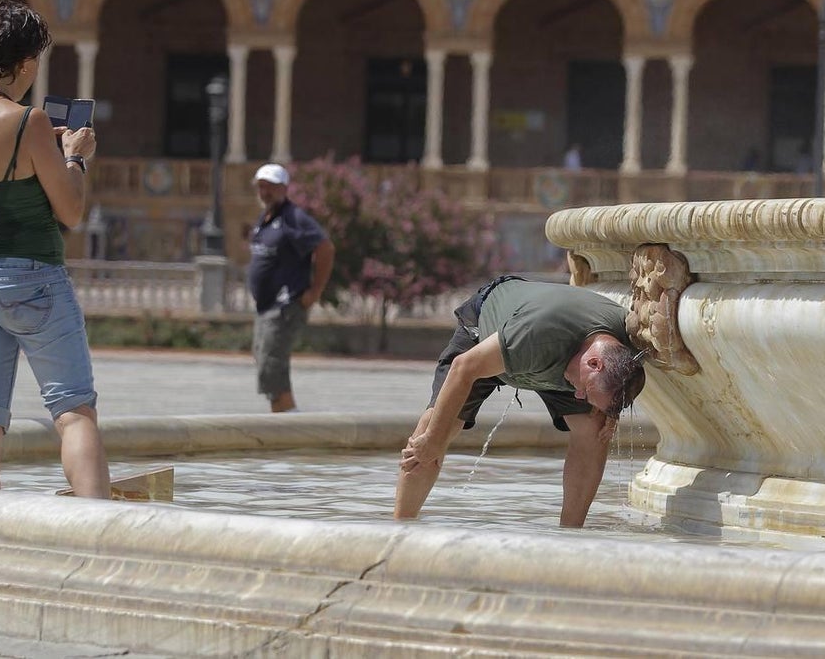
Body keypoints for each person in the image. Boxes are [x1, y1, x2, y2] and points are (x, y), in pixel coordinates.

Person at [0, 0, 110, 499]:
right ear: (27, 63)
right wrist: (74, 158)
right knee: (74, 412)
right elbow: (70, 211)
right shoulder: (28, 122)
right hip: (32, 280)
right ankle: (100, 531)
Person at [394, 275, 646, 528]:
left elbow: (619, 382)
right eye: (586, 391)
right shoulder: (538, 335)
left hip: (559, 360)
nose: (579, 396)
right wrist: (433, 442)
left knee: (593, 429)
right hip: (488, 333)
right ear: (594, 364)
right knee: (434, 427)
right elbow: (463, 369)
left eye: (587, 394)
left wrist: (610, 410)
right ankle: (401, 528)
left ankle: (571, 533)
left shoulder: (627, 348)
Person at [247, 163, 335, 413]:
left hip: (285, 306)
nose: (265, 192)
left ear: (284, 188)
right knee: (264, 361)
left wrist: (314, 291)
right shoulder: (265, 219)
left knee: (272, 365)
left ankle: (289, 425)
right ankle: (283, 419)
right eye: (261, 186)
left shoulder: (293, 218)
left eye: (271, 187)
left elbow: (325, 248)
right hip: (266, 307)